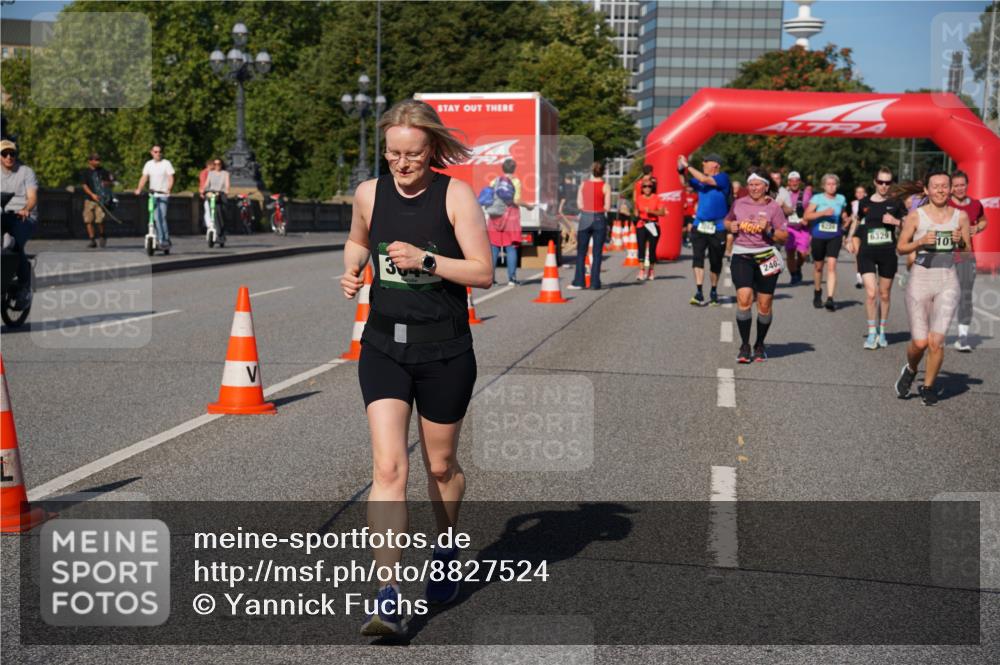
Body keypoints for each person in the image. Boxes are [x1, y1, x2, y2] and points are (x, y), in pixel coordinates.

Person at [339, 99, 492, 637]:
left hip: (445, 350)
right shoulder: (368, 193)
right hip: (383, 346)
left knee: (441, 467)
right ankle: (388, 594)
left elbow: (483, 272)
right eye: (393, 154)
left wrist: (426, 260)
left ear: (432, 151)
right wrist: (353, 269)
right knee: (388, 469)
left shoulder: (456, 195)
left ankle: (446, 549)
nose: (402, 165)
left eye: (414, 156)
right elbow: (358, 239)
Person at [894, 170, 971, 406]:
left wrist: (960, 242)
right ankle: (911, 368)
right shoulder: (916, 217)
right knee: (920, 342)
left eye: (944, 186)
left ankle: (928, 386)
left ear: (950, 189)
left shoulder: (961, 217)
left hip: (948, 279)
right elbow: (901, 248)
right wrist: (920, 242)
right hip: (920, 278)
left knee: (936, 341)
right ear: (926, 190)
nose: (940, 190)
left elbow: (968, 254)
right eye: (935, 186)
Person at [725, 169, 789, 363]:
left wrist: (768, 229)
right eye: (750, 184)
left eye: (757, 184)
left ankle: (759, 344)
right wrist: (731, 227)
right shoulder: (738, 203)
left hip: (766, 256)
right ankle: (745, 345)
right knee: (744, 298)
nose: (753, 188)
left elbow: (784, 237)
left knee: (764, 305)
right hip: (742, 254)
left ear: (766, 187)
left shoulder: (774, 208)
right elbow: (727, 221)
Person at [846, 167, 906, 349]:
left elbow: (910, 224)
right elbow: (856, 220)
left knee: (885, 294)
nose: (884, 186)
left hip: (888, 253)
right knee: (871, 293)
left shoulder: (896, 203)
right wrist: (849, 238)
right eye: (881, 182)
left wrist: (896, 222)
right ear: (875, 182)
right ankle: (872, 333)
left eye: (888, 183)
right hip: (867, 253)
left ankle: (882, 330)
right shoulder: (864, 202)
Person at [679, 152, 730, 306]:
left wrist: (688, 165)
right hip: (699, 225)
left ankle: (713, 290)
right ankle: (699, 291)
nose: (703, 164)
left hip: (718, 226)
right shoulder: (701, 182)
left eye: (705, 161)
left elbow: (703, 178)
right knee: (698, 257)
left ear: (715, 164)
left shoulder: (722, 178)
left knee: (715, 261)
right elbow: (685, 183)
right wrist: (680, 170)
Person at [948, 170, 987, 352]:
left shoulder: (976, 204)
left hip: (965, 256)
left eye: (962, 184)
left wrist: (977, 227)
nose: (959, 188)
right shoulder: (943, 204)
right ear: (950, 187)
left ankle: (962, 338)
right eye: (955, 185)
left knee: (965, 295)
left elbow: (983, 220)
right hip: (943, 256)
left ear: (967, 185)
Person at [803, 173, 850, 311]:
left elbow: (842, 213)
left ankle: (830, 298)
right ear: (824, 186)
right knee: (818, 267)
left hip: (834, 235)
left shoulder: (841, 198)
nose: (831, 187)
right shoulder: (817, 198)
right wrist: (822, 213)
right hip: (818, 235)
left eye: (834, 184)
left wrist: (846, 219)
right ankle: (818, 292)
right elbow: (807, 215)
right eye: (828, 184)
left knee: (832, 266)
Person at [0, 139, 38, 308]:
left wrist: (26, 208)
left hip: (23, 217)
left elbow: (32, 197)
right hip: (2, 214)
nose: (9, 157)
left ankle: (23, 287)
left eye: (12, 154)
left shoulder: (25, 172)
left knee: (14, 244)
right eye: (4, 154)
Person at [569, 160, 610, 290]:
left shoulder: (583, 185)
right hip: (598, 217)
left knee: (581, 252)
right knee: (597, 253)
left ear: (591, 171)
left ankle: (579, 281)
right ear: (603, 172)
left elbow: (579, 204)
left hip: (585, 217)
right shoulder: (606, 186)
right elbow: (607, 207)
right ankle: (594, 282)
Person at [486, 158, 527, 286]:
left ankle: (491, 278)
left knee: (493, 248)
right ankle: (511, 278)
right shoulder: (515, 182)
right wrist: (529, 206)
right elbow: (516, 200)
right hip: (511, 217)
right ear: (514, 169)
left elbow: (490, 198)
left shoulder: (495, 181)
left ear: (502, 168)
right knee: (511, 248)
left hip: (495, 216)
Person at [134, 145, 175, 249]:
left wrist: (168, 189)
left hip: (163, 194)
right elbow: (144, 177)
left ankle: (164, 239)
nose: (158, 154)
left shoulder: (166, 163)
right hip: (153, 195)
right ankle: (159, 238)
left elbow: (171, 177)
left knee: (162, 217)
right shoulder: (148, 164)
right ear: (151, 152)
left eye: (159, 152)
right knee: (155, 218)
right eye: (156, 152)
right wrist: (139, 189)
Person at [777, 171, 811, 284]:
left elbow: (812, 209)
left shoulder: (806, 194)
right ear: (788, 182)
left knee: (803, 254)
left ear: (800, 182)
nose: (794, 183)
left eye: (796, 180)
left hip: (802, 227)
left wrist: (807, 218)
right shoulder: (783, 193)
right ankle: (794, 275)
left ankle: (797, 267)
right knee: (790, 252)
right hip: (788, 227)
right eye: (792, 181)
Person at [80, 152, 115, 248]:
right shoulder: (85, 172)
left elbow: (110, 182)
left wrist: (107, 184)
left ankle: (102, 234)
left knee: (100, 220)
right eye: (96, 160)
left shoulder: (103, 171)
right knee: (88, 220)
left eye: (99, 159)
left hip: (100, 200)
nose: (98, 161)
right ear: (90, 161)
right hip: (89, 200)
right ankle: (92, 240)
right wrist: (92, 194)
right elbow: (84, 185)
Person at [634, 179, 665, 280]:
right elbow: (636, 211)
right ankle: (641, 271)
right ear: (642, 188)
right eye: (645, 186)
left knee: (652, 249)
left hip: (653, 225)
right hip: (642, 224)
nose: (647, 188)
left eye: (649, 186)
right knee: (641, 248)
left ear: (652, 188)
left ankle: (651, 270)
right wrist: (635, 213)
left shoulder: (657, 198)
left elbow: (662, 213)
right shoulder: (639, 198)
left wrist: (651, 211)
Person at [199, 158, 230, 237]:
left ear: (221, 164)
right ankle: (215, 230)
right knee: (213, 212)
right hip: (212, 193)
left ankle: (221, 233)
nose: (217, 166)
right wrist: (203, 190)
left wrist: (226, 190)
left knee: (221, 212)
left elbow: (227, 184)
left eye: (218, 164)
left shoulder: (225, 173)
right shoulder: (211, 173)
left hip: (221, 193)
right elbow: (206, 184)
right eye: (215, 164)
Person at [851, 184, 868, 289]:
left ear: (865, 193)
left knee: (866, 253)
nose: (860, 194)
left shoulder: (870, 203)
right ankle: (859, 277)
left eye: (862, 192)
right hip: (857, 230)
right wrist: (849, 236)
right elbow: (854, 219)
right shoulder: (854, 204)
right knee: (858, 253)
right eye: (858, 192)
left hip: (867, 230)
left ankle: (868, 274)